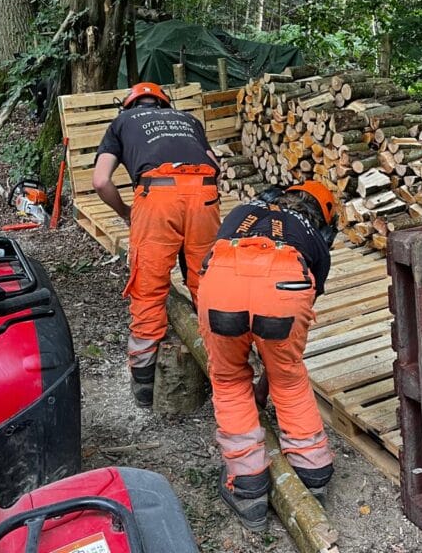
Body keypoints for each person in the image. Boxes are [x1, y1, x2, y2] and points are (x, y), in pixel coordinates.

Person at [196, 180, 338, 531]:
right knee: (288, 376)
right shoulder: (315, 241)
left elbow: (208, 258)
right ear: (322, 217)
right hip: (286, 286)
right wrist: (271, 376)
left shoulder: (243, 212)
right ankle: (313, 471)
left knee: (228, 379)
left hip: (221, 282)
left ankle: (248, 488)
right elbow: (290, 326)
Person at [92, 82, 220, 407]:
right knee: (207, 284)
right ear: (164, 104)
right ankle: (226, 372)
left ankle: (145, 386)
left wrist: (125, 213)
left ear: (129, 105)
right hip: (204, 191)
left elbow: (101, 180)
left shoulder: (120, 124)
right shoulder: (189, 120)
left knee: (148, 286)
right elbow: (214, 164)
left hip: (157, 194)